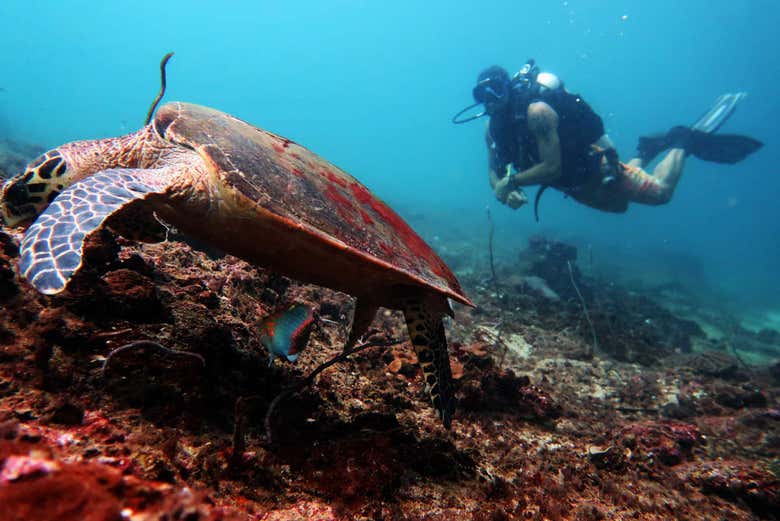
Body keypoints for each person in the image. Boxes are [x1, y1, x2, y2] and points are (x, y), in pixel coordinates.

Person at [452, 59, 763, 218]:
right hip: (575, 185)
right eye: (482, 94)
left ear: (509, 88)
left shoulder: (537, 112)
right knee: (620, 209)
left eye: (495, 90)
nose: (489, 100)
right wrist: (501, 189)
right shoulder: (491, 129)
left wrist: (514, 182)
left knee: (660, 194)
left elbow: (551, 168)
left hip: (594, 168)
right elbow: (494, 171)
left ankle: (684, 140)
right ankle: (649, 148)